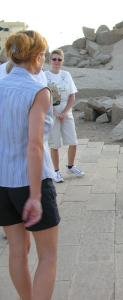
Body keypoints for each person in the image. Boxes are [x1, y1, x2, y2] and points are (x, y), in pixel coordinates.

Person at [0, 30, 60, 300]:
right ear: (37, 56)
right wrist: (36, 196)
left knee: (17, 249)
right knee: (47, 256)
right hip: (30, 180)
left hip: (2, 180)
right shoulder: (39, 90)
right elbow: (35, 145)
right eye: (44, 56)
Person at [45, 49, 84, 183]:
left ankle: (70, 166)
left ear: (63, 61)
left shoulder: (66, 75)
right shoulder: (45, 76)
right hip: (51, 113)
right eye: (54, 59)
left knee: (73, 141)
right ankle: (56, 171)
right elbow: (43, 98)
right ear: (50, 60)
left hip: (67, 112)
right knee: (54, 143)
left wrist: (65, 112)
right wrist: (55, 112)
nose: (56, 62)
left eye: (59, 59)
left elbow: (72, 96)